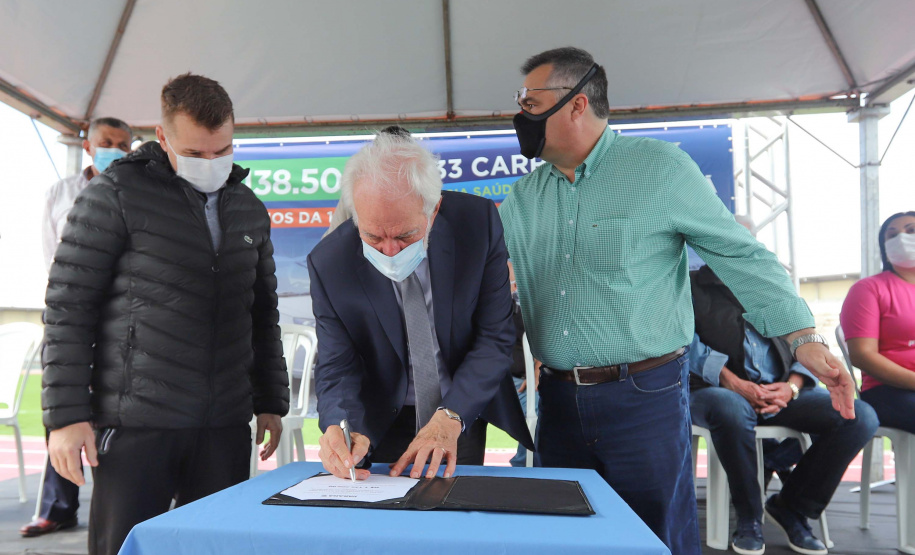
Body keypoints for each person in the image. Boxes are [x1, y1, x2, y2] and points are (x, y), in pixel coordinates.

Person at [499, 46, 856, 555]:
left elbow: (741, 255)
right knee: (570, 540)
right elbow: (483, 276)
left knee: (656, 536)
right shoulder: (522, 199)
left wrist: (803, 337)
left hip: (644, 396)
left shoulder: (659, 170)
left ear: (576, 103)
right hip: (557, 401)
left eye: (531, 104)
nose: (521, 117)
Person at [41, 73, 289, 555]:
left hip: (223, 425)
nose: (211, 163)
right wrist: (66, 417)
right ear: (162, 137)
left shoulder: (248, 208)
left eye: (222, 150)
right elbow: (69, 307)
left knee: (216, 549)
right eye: (195, 153)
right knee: (124, 548)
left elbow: (262, 312)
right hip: (136, 424)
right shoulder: (115, 194)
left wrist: (270, 400)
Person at [308, 129, 533, 481]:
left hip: (460, 408)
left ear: (434, 209)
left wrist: (452, 416)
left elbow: (495, 337)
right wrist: (341, 424)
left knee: (456, 504)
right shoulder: (330, 262)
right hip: (377, 417)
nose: (390, 251)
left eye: (405, 235)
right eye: (373, 236)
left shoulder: (477, 225)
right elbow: (337, 365)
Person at [690, 263, 878, 555]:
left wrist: (791, 386)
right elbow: (683, 342)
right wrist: (733, 382)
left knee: (860, 417)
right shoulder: (687, 284)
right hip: (712, 388)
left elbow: (805, 339)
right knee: (731, 408)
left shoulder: (772, 284)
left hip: (781, 389)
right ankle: (749, 516)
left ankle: (791, 506)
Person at [21, 117, 133, 539]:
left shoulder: (136, 192)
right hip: (71, 313)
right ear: (88, 145)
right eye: (107, 142)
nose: (114, 149)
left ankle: (129, 505)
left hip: (119, 319)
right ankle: (58, 506)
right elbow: (51, 255)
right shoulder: (60, 192)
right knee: (63, 409)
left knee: (118, 409)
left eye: (122, 144)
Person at [842, 211, 915, 432]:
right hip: (888, 390)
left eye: (911, 231)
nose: (901, 238)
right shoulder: (868, 289)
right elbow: (862, 355)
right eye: (892, 235)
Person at [507, 260, 540, 467]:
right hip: (496, 377)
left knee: (537, 410)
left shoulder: (527, 302)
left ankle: (525, 467)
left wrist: (537, 369)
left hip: (521, 379)